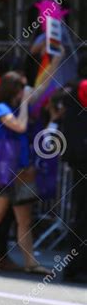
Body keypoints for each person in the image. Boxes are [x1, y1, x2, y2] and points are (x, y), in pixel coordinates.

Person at [0, 72, 51, 274]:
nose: (25, 92)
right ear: (14, 89)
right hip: (6, 172)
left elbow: (42, 87)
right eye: (22, 88)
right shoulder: (1, 106)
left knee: (24, 219)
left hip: (22, 170)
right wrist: (26, 104)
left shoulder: (18, 106)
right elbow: (19, 126)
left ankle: (30, 262)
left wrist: (56, 60)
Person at [61, 51, 87, 282]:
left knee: (79, 214)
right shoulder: (83, 88)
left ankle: (74, 265)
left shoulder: (70, 89)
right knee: (82, 216)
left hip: (77, 158)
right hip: (83, 158)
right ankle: (76, 265)